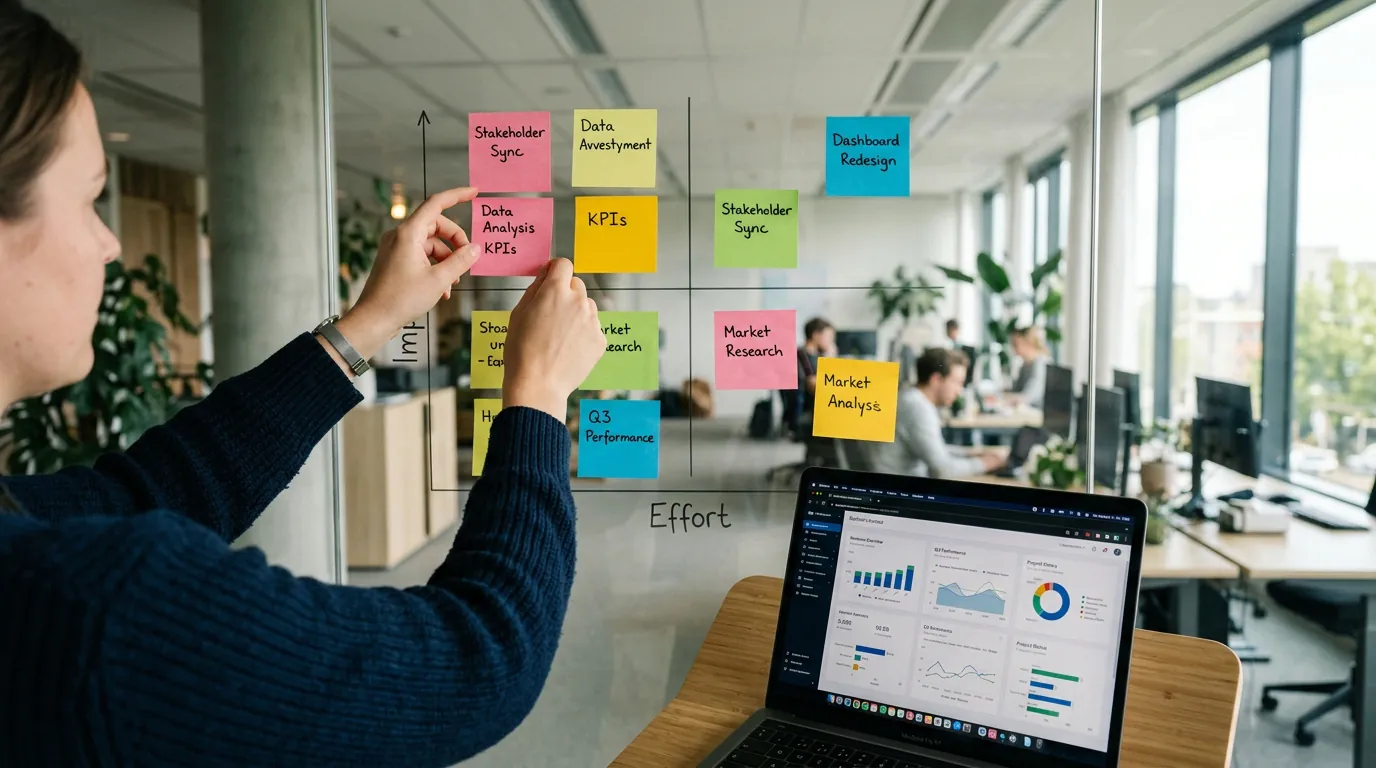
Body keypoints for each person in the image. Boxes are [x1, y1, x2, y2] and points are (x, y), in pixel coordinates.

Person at [0, 5, 607, 765]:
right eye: (92, 198)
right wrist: (538, 396)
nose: (111, 243)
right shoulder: (89, 618)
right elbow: (480, 658)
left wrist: (369, 322)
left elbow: (148, 491)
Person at [864, 348, 1005, 478]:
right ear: (936, 380)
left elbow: (936, 450)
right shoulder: (917, 408)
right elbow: (943, 470)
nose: (959, 391)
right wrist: (986, 463)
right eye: (957, 382)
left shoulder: (909, 397)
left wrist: (971, 454)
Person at [1007, 326, 1050, 408]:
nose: (1014, 350)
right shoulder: (1026, 364)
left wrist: (1004, 398)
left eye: (1016, 345)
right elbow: (1017, 390)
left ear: (1027, 343)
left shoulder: (1041, 363)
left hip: (1036, 416)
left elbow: (1026, 398)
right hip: (1026, 413)